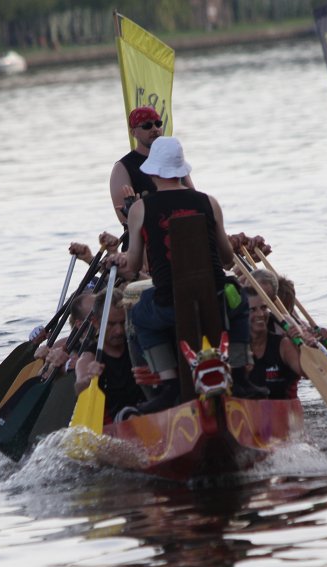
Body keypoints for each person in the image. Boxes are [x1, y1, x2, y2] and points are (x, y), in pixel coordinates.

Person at [110, 136, 267, 413]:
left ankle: (168, 384)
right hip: (217, 300)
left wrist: (116, 261)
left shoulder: (139, 209)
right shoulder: (209, 202)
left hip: (168, 305)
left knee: (139, 313)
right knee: (240, 299)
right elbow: (226, 260)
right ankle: (240, 375)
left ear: (154, 171)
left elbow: (133, 267)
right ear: (181, 170)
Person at [108, 106, 193, 245]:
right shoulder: (122, 167)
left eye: (158, 124)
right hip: (142, 243)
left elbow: (193, 197)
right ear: (133, 132)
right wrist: (134, 210)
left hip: (179, 237)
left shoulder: (172, 158)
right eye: (147, 126)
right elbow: (123, 218)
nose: (155, 129)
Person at [74, 289, 145, 422]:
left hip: (145, 414)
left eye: (123, 322)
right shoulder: (88, 358)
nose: (119, 331)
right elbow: (80, 387)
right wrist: (89, 378)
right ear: (95, 322)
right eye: (111, 324)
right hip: (113, 424)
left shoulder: (139, 344)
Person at [245, 287, 302, 400]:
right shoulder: (236, 347)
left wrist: (303, 347)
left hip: (284, 408)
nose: (260, 314)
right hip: (249, 409)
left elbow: (307, 373)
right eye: (252, 310)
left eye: (264, 308)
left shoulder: (284, 345)